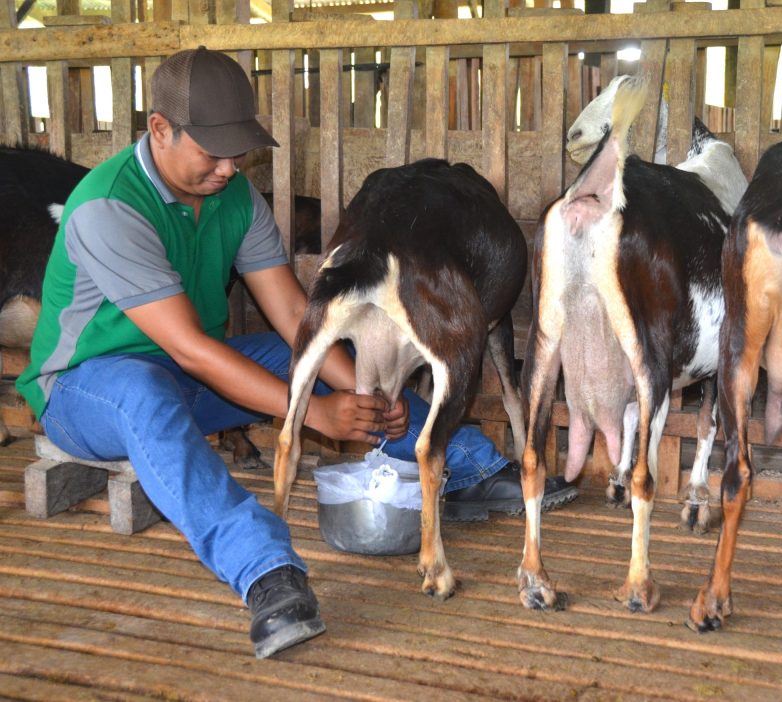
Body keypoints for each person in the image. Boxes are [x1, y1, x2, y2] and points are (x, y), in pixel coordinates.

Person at [16, 46, 576, 659]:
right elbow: (192, 349)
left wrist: (361, 399)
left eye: (238, 151)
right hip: (85, 391)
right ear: (160, 129)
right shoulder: (108, 206)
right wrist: (313, 413)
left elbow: (289, 316)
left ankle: (466, 466)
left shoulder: (235, 199)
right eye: (213, 150)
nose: (230, 167)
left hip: (183, 375)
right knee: (149, 395)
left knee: (308, 365)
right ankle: (265, 572)